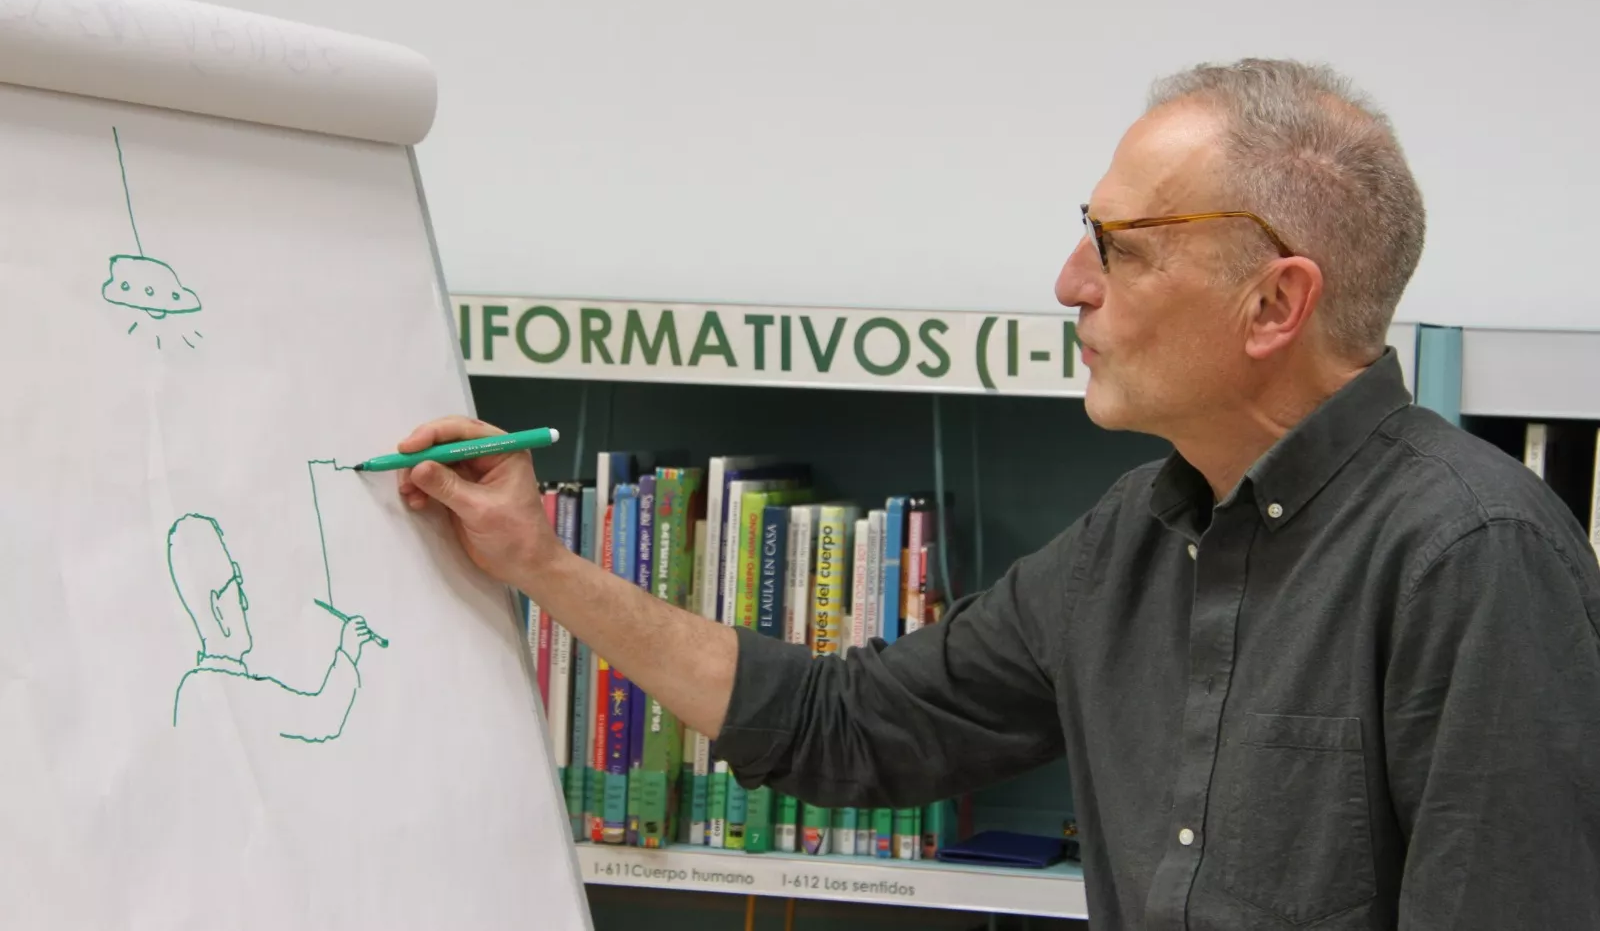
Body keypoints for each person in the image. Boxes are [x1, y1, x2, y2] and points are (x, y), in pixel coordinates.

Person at [395, 58, 1600, 930]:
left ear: (1274, 304)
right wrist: (540, 563)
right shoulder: (1132, 539)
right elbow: (841, 724)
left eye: (1123, 247)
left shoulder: (1474, 556)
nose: (1070, 281)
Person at [169, 511, 380, 743]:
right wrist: (347, 653)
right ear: (217, 608)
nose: (244, 603)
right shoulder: (238, 693)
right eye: (236, 584)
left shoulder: (191, 691)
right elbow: (320, 717)